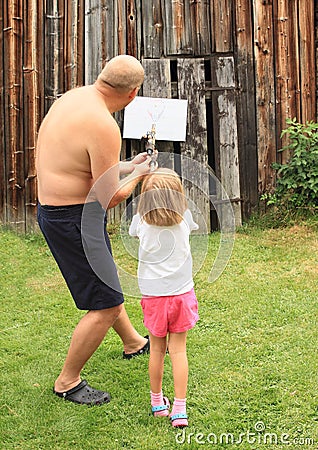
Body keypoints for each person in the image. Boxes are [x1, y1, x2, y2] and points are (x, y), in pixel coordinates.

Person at [36, 54, 152, 405]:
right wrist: (139, 176)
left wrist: (127, 165)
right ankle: (67, 382)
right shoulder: (104, 124)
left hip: (61, 212)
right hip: (74, 219)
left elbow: (84, 161)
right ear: (132, 94)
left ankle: (133, 342)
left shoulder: (75, 98)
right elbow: (111, 198)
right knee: (105, 302)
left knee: (108, 285)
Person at [129, 168, 199, 428]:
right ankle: (179, 409)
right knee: (178, 351)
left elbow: (133, 232)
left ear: (145, 198)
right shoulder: (185, 219)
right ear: (178, 196)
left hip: (154, 298)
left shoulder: (141, 221)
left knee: (156, 351)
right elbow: (191, 225)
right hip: (181, 295)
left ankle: (158, 403)